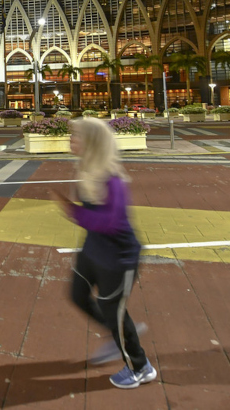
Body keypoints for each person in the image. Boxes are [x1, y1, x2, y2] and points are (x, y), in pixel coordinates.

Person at [52, 117, 157, 389]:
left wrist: (71, 210)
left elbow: (110, 223)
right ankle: (114, 334)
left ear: (92, 143)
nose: (70, 141)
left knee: (116, 314)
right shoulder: (86, 168)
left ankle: (140, 367)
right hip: (92, 251)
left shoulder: (112, 179)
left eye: (76, 136)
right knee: (78, 295)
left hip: (118, 259)